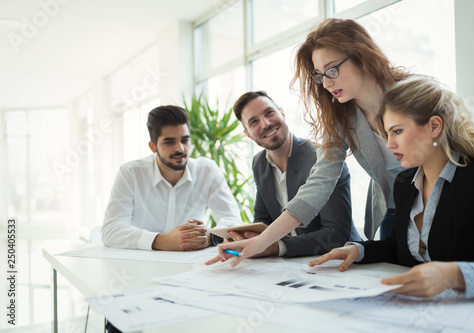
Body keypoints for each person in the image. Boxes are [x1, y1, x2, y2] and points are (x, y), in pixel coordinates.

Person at [206, 18, 410, 267]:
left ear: (360, 56)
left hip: (440, 203)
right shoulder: (342, 116)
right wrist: (259, 243)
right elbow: (319, 184)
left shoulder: (414, 93)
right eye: (320, 76)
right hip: (393, 209)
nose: (326, 83)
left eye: (332, 69)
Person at [309, 75, 474, 300]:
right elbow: (398, 247)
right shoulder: (405, 184)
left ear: (434, 126)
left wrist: (454, 275)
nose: (389, 144)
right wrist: (359, 250)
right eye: (387, 134)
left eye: (397, 131)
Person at [229, 91, 361, 258]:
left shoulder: (324, 158)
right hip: (292, 265)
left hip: (340, 260)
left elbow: (337, 234)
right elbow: (263, 221)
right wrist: (247, 238)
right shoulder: (259, 163)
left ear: (282, 113)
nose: (266, 123)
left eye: (269, 113)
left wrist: (278, 247)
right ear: (248, 133)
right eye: (254, 122)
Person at [101, 105, 242, 251]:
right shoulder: (131, 173)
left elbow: (232, 219)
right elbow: (111, 230)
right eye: (169, 142)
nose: (180, 148)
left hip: (189, 265)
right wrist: (160, 241)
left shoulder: (207, 171)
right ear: (153, 147)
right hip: (141, 265)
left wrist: (212, 237)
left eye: (185, 140)